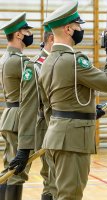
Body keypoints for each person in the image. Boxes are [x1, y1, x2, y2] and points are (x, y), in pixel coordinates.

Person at [39, 1, 107, 199]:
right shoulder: (75, 60)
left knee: (58, 193)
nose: (80, 30)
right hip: (73, 140)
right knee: (70, 195)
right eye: (78, 26)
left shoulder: (47, 61)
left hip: (55, 136)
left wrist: (89, 111)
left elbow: (49, 106)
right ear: (68, 29)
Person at [10, 25, 54, 200]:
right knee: (52, 180)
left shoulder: (66, 60)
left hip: (67, 130)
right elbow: (28, 107)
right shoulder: (36, 66)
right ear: (51, 38)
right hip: (47, 128)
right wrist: (24, 147)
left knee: (60, 181)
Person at [0, 12, 34, 200]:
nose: (30, 34)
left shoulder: (6, 58)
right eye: (27, 31)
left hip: (10, 116)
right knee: (16, 173)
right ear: (19, 35)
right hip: (20, 119)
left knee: (9, 169)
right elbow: (30, 97)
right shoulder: (20, 61)